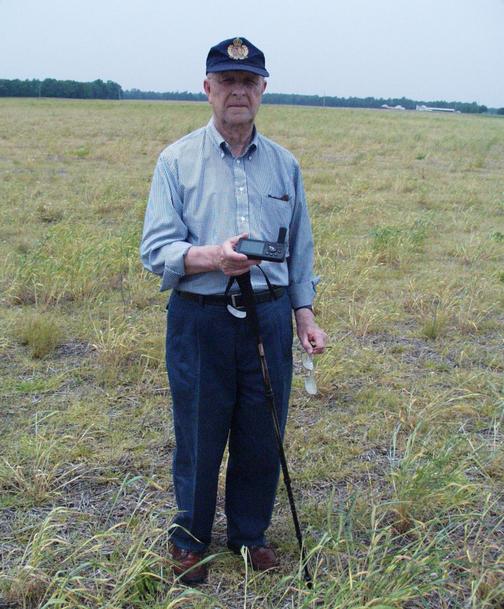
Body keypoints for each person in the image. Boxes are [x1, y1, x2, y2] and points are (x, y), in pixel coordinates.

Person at [140, 36, 327, 584]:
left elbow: (300, 250)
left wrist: (305, 316)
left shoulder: (285, 166)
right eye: (226, 82)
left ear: (263, 90)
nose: (237, 92)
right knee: (199, 430)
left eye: (248, 82)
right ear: (207, 89)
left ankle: (250, 534)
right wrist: (213, 258)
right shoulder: (175, 161)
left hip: (269, 316)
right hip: (201, 319)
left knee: (262, 429)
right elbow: (157, 250)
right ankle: (190, 540)